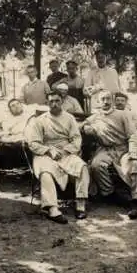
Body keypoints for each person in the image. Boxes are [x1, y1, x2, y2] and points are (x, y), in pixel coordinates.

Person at [25, 91, 90, 224]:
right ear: (47, 103)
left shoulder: (69, 118)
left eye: (57, 101)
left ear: (62, 102)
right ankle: (53, 209)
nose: (54, 104)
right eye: (51, 101)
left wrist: (67, 150)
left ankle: (80, 203)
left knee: (82, 167)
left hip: (66, 152)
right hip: (45, 153)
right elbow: (33, 143)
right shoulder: (39, 120)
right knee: (45, 173)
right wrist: (49, 151)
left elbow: (77, 139)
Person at [81, 90, 137, 219]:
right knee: (96, 165)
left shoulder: (122, 115)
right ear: (99, 102)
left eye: (108, 99)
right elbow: (82, 125)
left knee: (135, 164)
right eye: (103, 99)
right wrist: (85, 128)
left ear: (112, 100)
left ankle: (136, 201)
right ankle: (109, 194)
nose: (106, 102)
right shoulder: (95, 116)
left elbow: (133, 135)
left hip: (123, 148)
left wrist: (133, 152)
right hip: (105, 149)